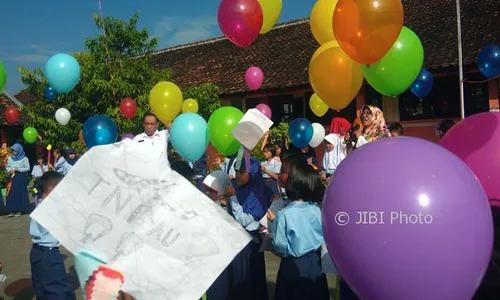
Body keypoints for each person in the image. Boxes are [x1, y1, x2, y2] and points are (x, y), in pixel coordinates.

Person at [267, 162, 330, 300]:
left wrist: (274, 223)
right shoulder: (316, 209)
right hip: (315, 262)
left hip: (293, 264)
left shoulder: (285, 214)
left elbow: (280, 244)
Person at [223, 156, 270, 300]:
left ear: (253, 173)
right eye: (237, 171)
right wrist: (224, 203)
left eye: (242, 172)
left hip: (250, 243)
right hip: (236, 243)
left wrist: (233, 199)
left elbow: (244, 220)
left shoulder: (259, 194)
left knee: (249, 281)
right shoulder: (236, 189)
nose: (237, 175)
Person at [30, 171, 76, 300]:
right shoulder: (52, 207)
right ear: (53, 189)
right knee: (58, 290)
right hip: (49, 255)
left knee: (42, 289)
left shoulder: (41, 204)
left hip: (37, 253)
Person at [202, 170, 233, 299]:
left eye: (212, 190)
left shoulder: (231, 207)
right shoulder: (203, 206)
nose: (208, 193)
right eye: (206, 190)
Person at [6, 143, 31, 217]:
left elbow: (27, 168)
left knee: (19, 193)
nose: (13, 152)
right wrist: (9, 170)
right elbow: (7, 166)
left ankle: (20, 210)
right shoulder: (10, 158)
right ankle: (12, 210)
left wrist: (18, 169)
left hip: (20, 177)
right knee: (11, 193)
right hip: (12, 177)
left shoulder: (24, 158)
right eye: (13, 150)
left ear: (19, 150)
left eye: (15, 151)